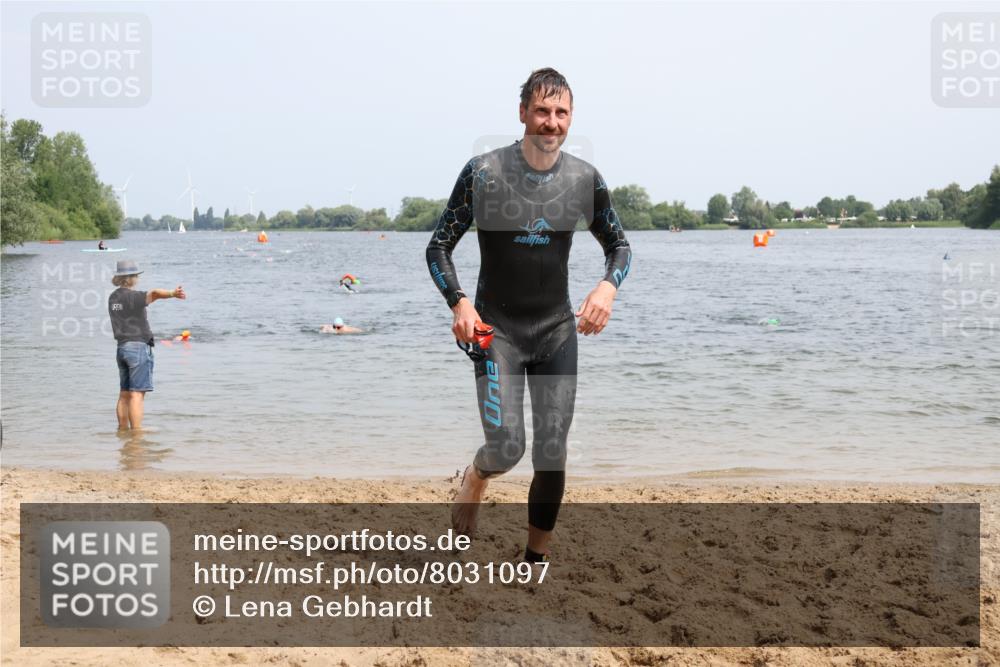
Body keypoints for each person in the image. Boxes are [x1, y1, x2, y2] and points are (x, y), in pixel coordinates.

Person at [425, 68, 632, 563]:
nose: (551, 122)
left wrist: (607, 286)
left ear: (571, 118)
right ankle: (476, 479)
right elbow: (438, 248)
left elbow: (620, 247)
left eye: (561, 113)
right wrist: (459, 302)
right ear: (522, 113)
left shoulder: (584, 180)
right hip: (494, 331)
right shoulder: (484, 172)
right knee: (507, 448)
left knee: (552, 450)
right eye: (542, 110)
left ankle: (535, 558)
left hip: (555, 330)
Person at [107, 260, 186, 430]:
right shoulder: (134, 296)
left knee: (124, 394)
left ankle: (122, 431)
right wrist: (173, 293)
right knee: (137, 394)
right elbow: (156, 293)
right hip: (137, 347)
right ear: (131, 278)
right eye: (136, 276)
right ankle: (136, 436)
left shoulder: (113, 298)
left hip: (121, 348)